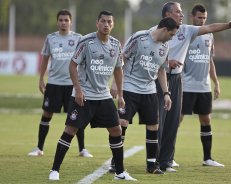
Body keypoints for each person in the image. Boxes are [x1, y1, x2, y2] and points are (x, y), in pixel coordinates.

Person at [156, 1, 231, 172]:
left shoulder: (186, 30)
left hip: (178, 80)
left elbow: (212, 27)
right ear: (168, 15)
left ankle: (166, 162)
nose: (181, 14)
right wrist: (165, 61)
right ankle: (153, 160)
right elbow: (150, 53)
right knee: (160, 121)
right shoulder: (154, 31)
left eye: (182, 11)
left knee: (172, 122)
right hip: (160, 78)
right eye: (178, 11)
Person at [48, 11, 136, 181]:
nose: (106, 25)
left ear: (113, 24)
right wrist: (78, 90)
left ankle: (120, 172)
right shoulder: (86, 42)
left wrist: (121, 94)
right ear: (97, 23)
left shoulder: (116, 45)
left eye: (109, 22)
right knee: (70, 130)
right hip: (85, 95)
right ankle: (54, 170)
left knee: (116, 129)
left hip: (103, 96)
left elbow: (118, 69)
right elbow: (73, 65)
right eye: (103, 21)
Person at [110, 17, 179, 174]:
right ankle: (115, 162)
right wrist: (115, 84)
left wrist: (166, 93)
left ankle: (151, 165)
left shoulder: (165, 46)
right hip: (129, 87)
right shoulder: (139, 38)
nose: (172, 38)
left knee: (153, 126)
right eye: (172, 34)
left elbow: (161, 70)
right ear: (164, 30)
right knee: (122, 123)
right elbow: (122, 58)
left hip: (149, 90)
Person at [28, 9, 93, 158]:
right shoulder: (51, 38)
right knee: (47, 114)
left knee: (76, 115)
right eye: (61, 20)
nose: (63, 23)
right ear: (57, 22)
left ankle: (82, 149)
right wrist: (41, 79)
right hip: (54, 83)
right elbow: (45, 58)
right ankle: (39, 148)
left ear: (71, 22)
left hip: (73, 84)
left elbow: (84, 60)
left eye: (66, 20)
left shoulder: (79, 38)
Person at [180, 4, 224, 167]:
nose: (202, 20)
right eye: (199, 17)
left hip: (204, 87)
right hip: (186, 86)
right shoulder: (185, 34)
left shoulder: (209, 35)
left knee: (206, 120)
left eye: (204, 18)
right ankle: (167, 157)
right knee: (177, 121)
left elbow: (209, 60)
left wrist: (216, 82)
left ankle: (208, 158)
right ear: (192, 17)